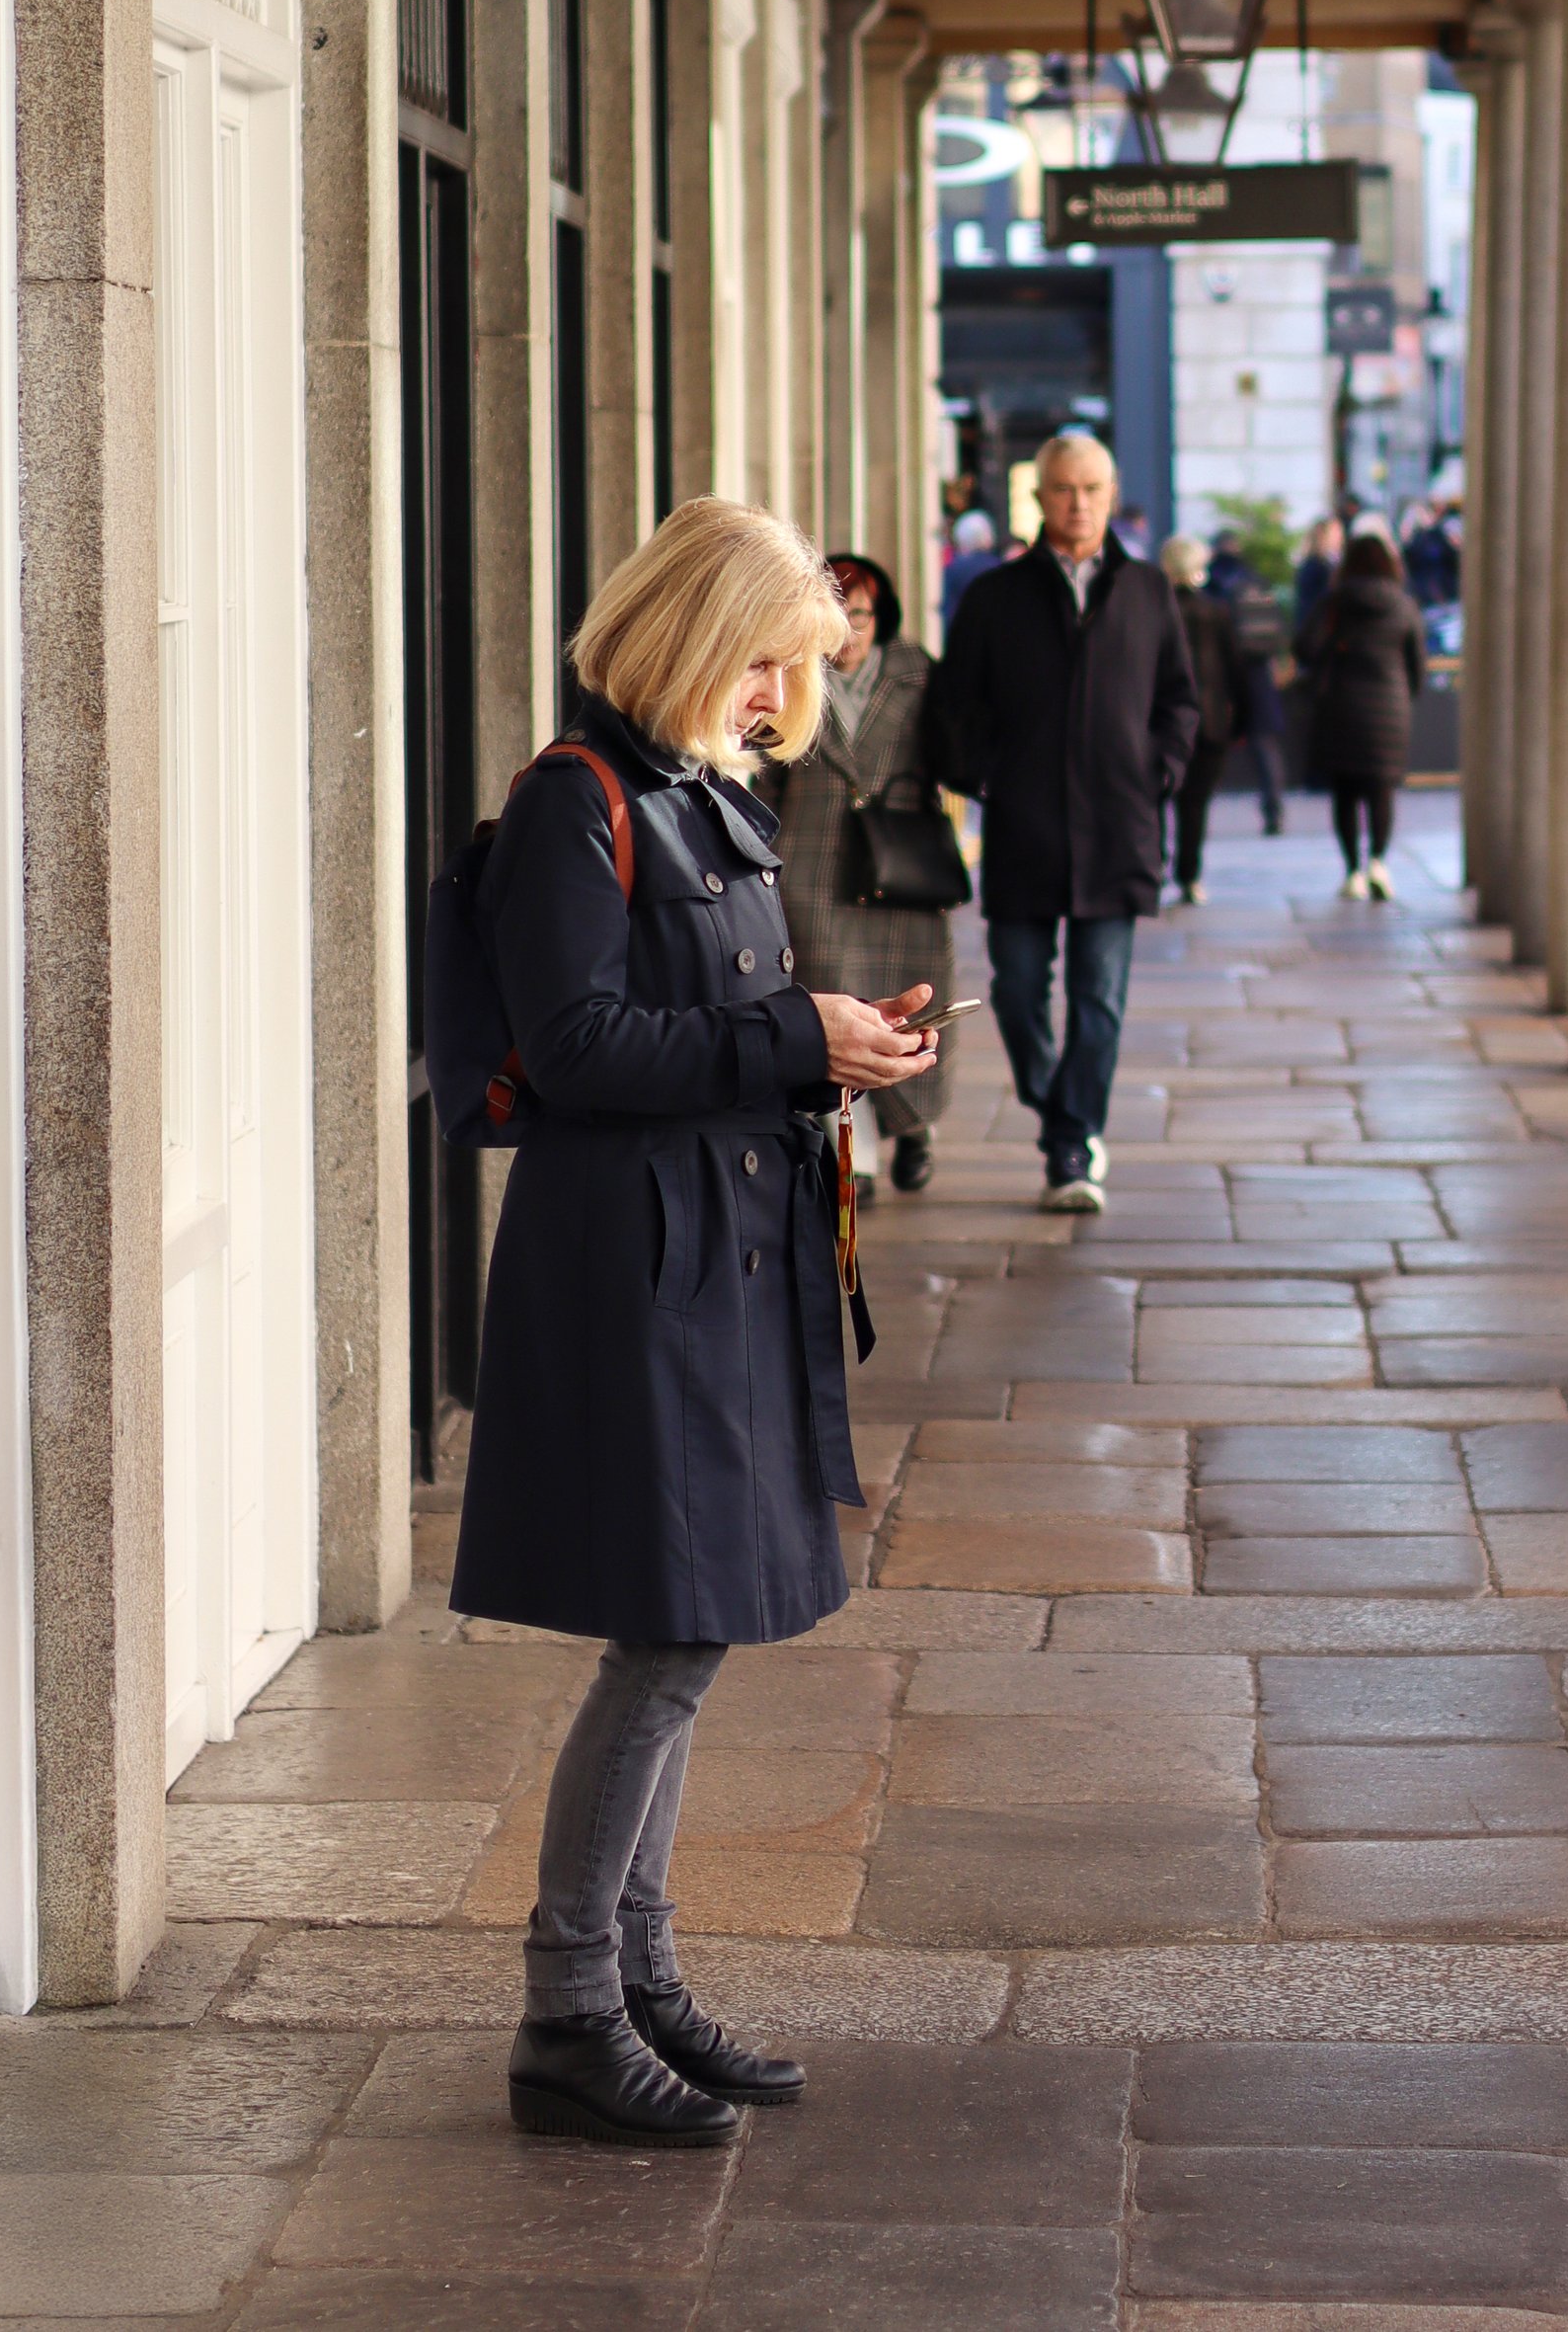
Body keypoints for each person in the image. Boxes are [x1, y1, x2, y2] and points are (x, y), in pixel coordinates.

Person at [446, 497, 939, 2148]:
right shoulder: (571, 805)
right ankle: (570, 2011)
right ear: (690, 636)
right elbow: (578, 1047)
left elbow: (718, 1020)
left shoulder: (694, 793)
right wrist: (792, 1037)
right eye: (760, 664)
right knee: (667, 1631)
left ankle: (640, 1979)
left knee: (695, 1623)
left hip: (717, 1252)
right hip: (636, 1268)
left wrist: (842, 1039)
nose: (771, 698)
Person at [937, 428, 1197, 1209]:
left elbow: (1180, 700)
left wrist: (1157, 771)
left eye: (1091, 489)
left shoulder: (1149, 590)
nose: (1078, 503)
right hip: (1025, 828)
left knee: (1099, 998)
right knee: (1016, 992)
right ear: (1040, 498)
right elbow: (955, 707)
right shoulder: (995, 595)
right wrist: (987, 776)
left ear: (1110, 496)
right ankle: (1062, 1112)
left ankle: (1071, 1150)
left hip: (1119, 828)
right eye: (1062, 489)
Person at [772, 552, 956, 1199]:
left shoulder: (916, 674)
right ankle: (860, 1153)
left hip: (899, 864)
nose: (849, 630)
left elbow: (955, 752)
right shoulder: (789, 675)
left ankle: (913, 1128)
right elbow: (767, 773)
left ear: (882, 618)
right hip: (814, 864)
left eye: (861, 614)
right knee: (836, 1002)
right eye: (838, 614)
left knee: (909, 999)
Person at [1300, 520, 1429, 900]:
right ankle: (1378, 861)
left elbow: (1304, 647)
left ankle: (1352, 870)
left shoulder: (1335, 602)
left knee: (1345, 792)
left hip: (1341, 705)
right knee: (1381, 790)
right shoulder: (1403, 604)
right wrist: (1405, 696)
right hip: (1390, 706)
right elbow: (1417, 664)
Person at [1161, 532, 1244, 903]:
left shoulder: (1156, 611)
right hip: (1209, 721)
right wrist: (1240, 720)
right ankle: (1189, 875)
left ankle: (1155, 863)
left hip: (1161, 720)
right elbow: (1234, 668)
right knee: (1195, 803)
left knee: (1153, 797)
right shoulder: (1217, 611)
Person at [1206, 527, 1290, 833]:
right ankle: (1274, 811)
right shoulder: (1255, 580)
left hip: (1218, 675)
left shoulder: (1212, 580)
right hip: (1257, 673)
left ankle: (1196, 813)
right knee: (1264, 745)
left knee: (1206, 746)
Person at [1293, 508, 1347, 636]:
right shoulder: (1319, 566)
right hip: (1318, 632)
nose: (1341, 538)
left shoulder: (1310, 564)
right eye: (1337, 534)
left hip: (1309, 630)